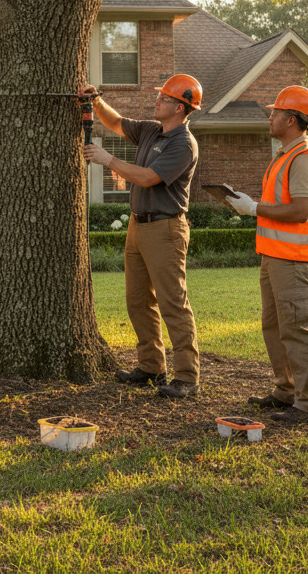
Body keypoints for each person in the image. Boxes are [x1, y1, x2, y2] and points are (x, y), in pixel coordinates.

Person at [81, 74, 202, 398]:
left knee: (173, 303)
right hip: (138, 226)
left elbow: (149, 178)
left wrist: (108, 160)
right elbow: (117, 122)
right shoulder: (151, 130)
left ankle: (188, 377)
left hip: (165, 229)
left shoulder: (183, 144)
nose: (157, 101)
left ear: (180, 107)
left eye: (163, 98)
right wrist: (95, 100)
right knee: (138, 301)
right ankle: (152, 367)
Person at [226, 85, 308, 425]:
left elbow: (299, 210)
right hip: (274, 255)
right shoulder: (283, 156)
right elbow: (280, 206)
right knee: (274, 326)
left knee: (297, 327)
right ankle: (286, 391)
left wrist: (253, 207)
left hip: (294, 258)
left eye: (275, 113)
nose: (269, 118)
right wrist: (252, 204)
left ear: (292, 119)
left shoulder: (303, 160)